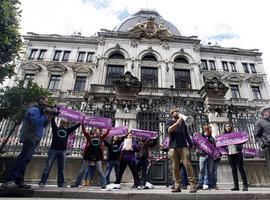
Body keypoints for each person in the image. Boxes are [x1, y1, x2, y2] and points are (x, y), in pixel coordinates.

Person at [3, 96, 51, 189]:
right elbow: (36, 123)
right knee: (23, 158)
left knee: (26, 159)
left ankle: (19, 180)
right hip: (29, 137)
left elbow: (43, 125)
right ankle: (11, 180)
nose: (47, 104)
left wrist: (49, 117)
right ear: (40, 101)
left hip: (35, 138)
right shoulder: (33, 110)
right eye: (45, 102)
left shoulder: (40, 112)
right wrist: (45, 115)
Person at [39, 118, 80, 188]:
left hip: (62, 151)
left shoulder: (67, 130)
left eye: (66, 123)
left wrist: (80, 122)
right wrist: (54, 116)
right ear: (60, 123)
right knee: (48, 167)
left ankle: (60, 183)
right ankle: (42, 182)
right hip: (53, 150)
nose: (64, 124)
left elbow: (74, 127)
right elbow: (53, 122)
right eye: (63, 122)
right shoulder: (56, 129)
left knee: (61, 168)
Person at [166, 107, 197, 193]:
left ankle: (193, 185)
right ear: (171, 114)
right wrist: (177, 123)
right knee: (175, 167)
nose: (176, 113)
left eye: (177, 111)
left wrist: (191, 144)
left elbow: (186, 135)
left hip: (183, 146)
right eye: (174, 112)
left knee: (187, 165)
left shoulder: (183, 122)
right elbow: (169, 130)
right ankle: (177, 186)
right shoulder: (169, 122)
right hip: (173, 146)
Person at [223, 123, 248, 191]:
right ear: (224, 128)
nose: (228, 127)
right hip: (230, 154)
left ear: (231, 127)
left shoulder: (236, 134)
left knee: (241, 169)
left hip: (237, 153)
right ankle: (236, 186)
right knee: (234, 170)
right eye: (226, 126)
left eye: (229, 126)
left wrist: (244, 139)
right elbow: (221, 145)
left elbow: (243, 141)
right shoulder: (223, 136)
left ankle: (245, 185)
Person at [196, 125, 215, 190]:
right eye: (205, 129)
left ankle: (209, 184)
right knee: (201, 170)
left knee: (209, 170)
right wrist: (198, 151)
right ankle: (200, 184)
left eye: (207, 129)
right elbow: (196, 145)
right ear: (203, 129)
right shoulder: (200, 137)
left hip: (210, 156)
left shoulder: (211, 138)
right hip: (202, 155)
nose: (206, 130)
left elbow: (214, 146)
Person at [254, 106, 270, 171]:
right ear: (264, 112)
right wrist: (262, 144)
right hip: (268, 146)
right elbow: (257, 136)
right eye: (268, 110)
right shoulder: (259, 122)